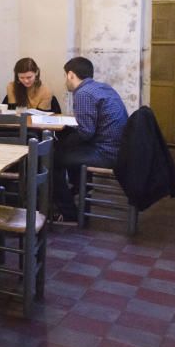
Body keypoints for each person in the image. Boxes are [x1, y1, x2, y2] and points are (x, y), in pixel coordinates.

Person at [52, 56, 128, 222]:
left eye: (65, 76)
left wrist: (62, 145)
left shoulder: (83, 93)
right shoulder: (102, 88)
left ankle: (69, 213)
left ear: (71, 75)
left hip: (106, 152)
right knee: (66, 150)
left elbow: (86, 132)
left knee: (51, 161)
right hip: (118, 147)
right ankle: (78, 193)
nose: (65, 80)